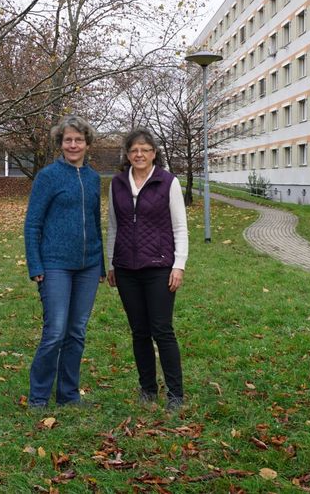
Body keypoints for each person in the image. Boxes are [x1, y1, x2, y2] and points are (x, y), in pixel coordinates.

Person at [23, 115, 105, 408]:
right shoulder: (48, 177)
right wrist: (36, 265)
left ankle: (68, 395)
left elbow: (95, 222)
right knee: (55, 331)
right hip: (55, 264)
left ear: (87, 144)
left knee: (76, 332)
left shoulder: (94, 178)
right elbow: (33, 224)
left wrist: (101, 266)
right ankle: (39, 397)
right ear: (60, 143)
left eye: (78, 140)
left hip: (88, 266)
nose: (73, 144)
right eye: (68, 140)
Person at [106, 128, 189, 411]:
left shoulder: (168, 182)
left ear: (154, 153)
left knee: (162, 329)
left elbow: (180, 227)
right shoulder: (117, 183)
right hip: (126, 268)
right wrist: (111, 263)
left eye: (145, 149)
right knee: (139, 331)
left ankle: (175, 394)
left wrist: (179, 265)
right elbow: (113, 227)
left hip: (159, 267)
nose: (139, 154)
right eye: (134, 150)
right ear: (127, 155)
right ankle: (148, 389)